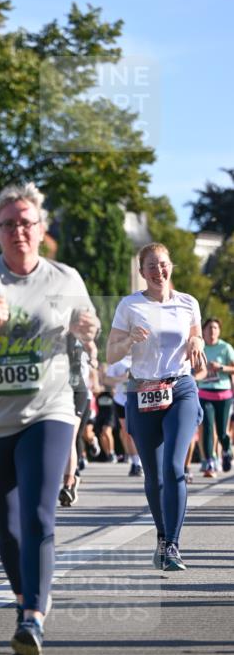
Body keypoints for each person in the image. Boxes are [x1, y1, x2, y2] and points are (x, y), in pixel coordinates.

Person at [0, 182, 99, 655]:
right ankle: (23, 598)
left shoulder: (65, 278)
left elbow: (88, 330)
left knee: (38, 515)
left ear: (41, 228)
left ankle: (33, 615)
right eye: (8, 224)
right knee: (8, 528)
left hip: (49, 410)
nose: (18, 231)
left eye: (26, 223)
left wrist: (88, 330)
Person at [107, 242, 206, 572]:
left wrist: (197, 340)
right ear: (142, 272)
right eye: (151, 266)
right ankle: (163, 538)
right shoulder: (129, 305)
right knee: (154, 476)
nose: (158, 270)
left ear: (171, 266)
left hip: (180, 388)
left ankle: (173, 545)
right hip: (143, 391)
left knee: (174, 467)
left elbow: (195, 336)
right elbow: (110, 353)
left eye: (162, 264)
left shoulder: (188, 302)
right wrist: (128, 340)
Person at [59, 335, 97, 506]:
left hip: (77, 390)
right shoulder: (45, 332)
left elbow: (91, 345)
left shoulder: (77, 332)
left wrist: (93, 357)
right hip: (53, 391)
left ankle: (68, 485)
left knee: (70, 437)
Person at [196, 317, 234, 476]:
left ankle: (226, 450)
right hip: (204, 393)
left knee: (222, 431)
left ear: (219, 331)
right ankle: (210, 462)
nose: (212, 331)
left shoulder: (225, 348)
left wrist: (220, 367)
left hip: (223, 395)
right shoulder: (200, 347)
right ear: (203, 331)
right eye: (209, 328)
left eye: (215, 328)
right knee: (207, 429)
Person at [106, 356, 144, 476]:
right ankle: (136, 463)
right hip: (121, 401)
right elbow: (107, 380)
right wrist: (122, 378)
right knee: (128, 432)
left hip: (140, 400)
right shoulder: (117, 359)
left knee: (140, 432)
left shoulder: (143, 356)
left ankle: (142, 462)